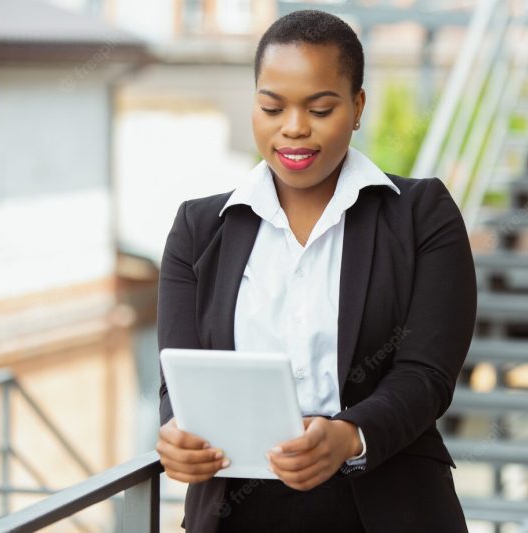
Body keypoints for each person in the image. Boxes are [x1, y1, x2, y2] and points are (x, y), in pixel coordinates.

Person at [155, 9, 477, 533]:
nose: (294, 128)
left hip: (387, 508)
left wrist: (348, 435)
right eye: (272, 106)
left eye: (320, 107)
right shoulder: (198, 229)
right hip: (235, 513)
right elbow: (180, 377)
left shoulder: (421, 215)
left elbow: (427, 376)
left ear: (357, 107)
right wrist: (176, 434)